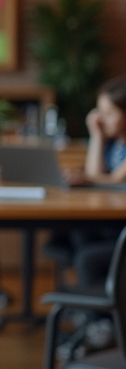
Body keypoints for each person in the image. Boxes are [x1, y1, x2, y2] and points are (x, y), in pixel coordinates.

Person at [59, 76, 126, 288]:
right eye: (99, 112)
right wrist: (97, 136)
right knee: (72, 235)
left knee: (86, 255)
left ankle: (99, 316)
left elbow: (117, 179)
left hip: (120, 223)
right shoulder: (114, 144)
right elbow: (95, 173)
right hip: (111, 218)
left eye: (109, 114)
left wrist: (85, 178)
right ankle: (90, 305)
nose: (100, 119)